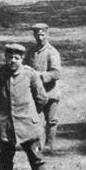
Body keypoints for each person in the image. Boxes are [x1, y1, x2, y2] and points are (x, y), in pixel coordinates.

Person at [0, 43, 49, 170]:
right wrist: (3, 114)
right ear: (5, 58)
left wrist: (32, 114)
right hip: (6, 125)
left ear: (22, 59)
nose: (12, 61)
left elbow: (41, 98)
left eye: (16, 58)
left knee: (36, 156)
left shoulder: (30, 74)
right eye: (9, 57)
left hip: (28, 125)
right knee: (5, 158)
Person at [24, 23, 62, 152]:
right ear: (34, 35)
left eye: (42, 35)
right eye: (37, 34)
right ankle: (34, 144)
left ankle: (48, 145)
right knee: (31, 119)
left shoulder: (52, 52)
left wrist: (38, 76)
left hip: (50, 92)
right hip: (34, 93)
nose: (40, 38)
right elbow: (24, 68)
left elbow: (56, 73)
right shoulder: (30, 52)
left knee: (51, 120)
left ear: (47, 35)